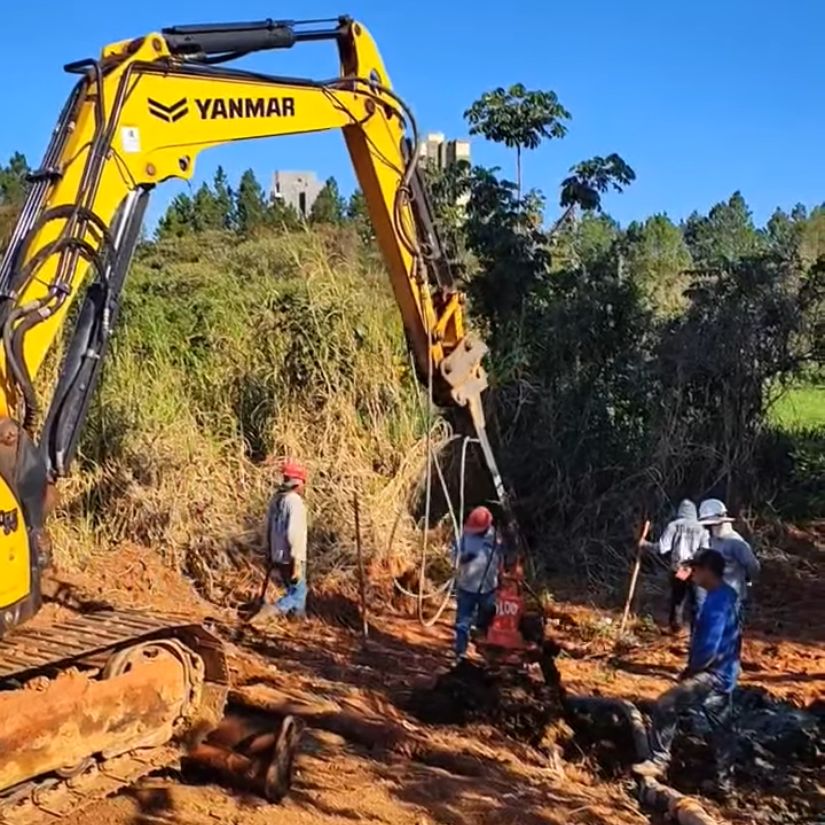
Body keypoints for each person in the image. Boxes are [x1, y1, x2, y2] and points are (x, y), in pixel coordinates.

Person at [633, 549, 740, 793]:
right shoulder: (727, 594)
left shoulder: (715, 603)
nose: (692, 573)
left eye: (695, 569)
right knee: (721, 725)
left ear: (706, 571)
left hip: (712, 673)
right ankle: (725, 784)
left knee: (665, 704)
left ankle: (659, 759)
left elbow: (708, 646)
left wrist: (692, 671)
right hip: (727, 672)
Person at [641, 499, 709, 632]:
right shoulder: (701, 529)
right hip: (696, 569)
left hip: (680, 568)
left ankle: (675, 628)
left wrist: (645, 544)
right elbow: (705, 551)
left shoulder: (674, 526)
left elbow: (662, 548)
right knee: (699, 602)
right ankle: (699, 632)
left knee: (678, 598)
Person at [254, 460, 309, 622]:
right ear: (298, 483)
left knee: (296, 592)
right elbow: (295, 533)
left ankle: (297, 620)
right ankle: (272, 610)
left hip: (278, 554)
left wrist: (269, 552)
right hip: (291, 555)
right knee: (299, 593)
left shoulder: (276, 500)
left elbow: (269, 528)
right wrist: (297, 560)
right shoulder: (295, 502)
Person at [696, 498, 760, 621]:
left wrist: (747, 578)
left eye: (711, 525)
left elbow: (752, 565)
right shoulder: (712, 540)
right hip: (713, 594)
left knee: (729, 633)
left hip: (732, 597)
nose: (708, 528)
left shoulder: (736, 543)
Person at [452, 505, 500, 662]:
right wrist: (463, 558)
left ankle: (486, 653)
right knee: (462, 623)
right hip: (467, 586)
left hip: (487, 588)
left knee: (486, 621)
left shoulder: (496, 540)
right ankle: (460, 654)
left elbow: (505, 560)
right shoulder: (465, 538)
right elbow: (454, 556)